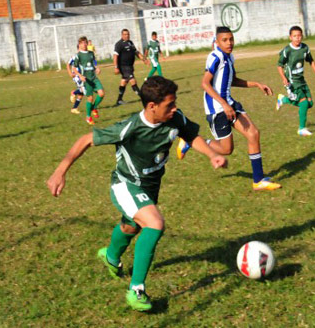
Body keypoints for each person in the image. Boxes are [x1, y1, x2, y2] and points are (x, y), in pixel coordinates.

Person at [47, 76, 227, 311]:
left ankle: (111, 257)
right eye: (169, 105)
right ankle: (136, 290)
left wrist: (211, 154)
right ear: (152, 106)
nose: (174, 109)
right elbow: (86, 139)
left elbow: (190, 135)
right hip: (125, 185)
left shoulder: (175, 118)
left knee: (132, 227)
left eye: (174, 104)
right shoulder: (130, 127)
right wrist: (60, 172)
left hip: (150, 186)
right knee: (154, 224)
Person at [177, 26, 281, 191]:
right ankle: (191, 142)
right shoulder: (215, 57)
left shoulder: (229, 57)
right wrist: (224, 105)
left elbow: (231, 80)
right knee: (227, 149)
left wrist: (256, 84)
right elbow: (205, 83)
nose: (229, 43)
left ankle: (258, 180)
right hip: (217, 109)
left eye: (231, 39)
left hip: (229, 104)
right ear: (217, 42)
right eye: (224, 40)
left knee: (253, 133)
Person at [276, 25, 315, 136]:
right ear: (290, 37)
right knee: (304, 103)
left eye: (299, 36)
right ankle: (301, 128)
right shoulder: (287, 50)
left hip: (302, 80)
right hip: (292, 82)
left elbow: (311, 61)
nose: (297, 38)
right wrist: (284, 78)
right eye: (295, 36)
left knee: (309, 103)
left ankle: (283, 100)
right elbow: (279, 65)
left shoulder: (305, 48)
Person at [72, 36, 105, 125]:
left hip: (94, 77)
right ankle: (88, 117)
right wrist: (80, 76)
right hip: (86, 79)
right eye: (82, 43)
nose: (84, 44)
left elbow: (94, 63)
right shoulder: (78, 55)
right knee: (90, 98)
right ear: (79, 44)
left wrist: (97, 68)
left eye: (85, 42)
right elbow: (74, 68)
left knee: (101, 93)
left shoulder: (91, 53)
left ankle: (94, 108)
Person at [113, 29, 149, 106]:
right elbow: (115, 56)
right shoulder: (119, 44)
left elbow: (136, 52)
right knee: (133, 81)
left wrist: (144, 59)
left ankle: (119, 100)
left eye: (128, 34)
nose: (127, 35)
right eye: (125, 34)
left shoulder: (130, 42)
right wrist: (116, 67)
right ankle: (143, 98)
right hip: (123, 67)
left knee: (124, 82)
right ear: (122, 35)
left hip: (129, 66)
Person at [67, 48, 85, 114]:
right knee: (83, 89)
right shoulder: (74, 57)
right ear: (78, 49)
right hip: (77, 76)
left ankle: (74, 108)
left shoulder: (84, 57)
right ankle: (74, 93)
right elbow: (68, 64)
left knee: (81, 94)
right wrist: (70, 73)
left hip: (82, 76)